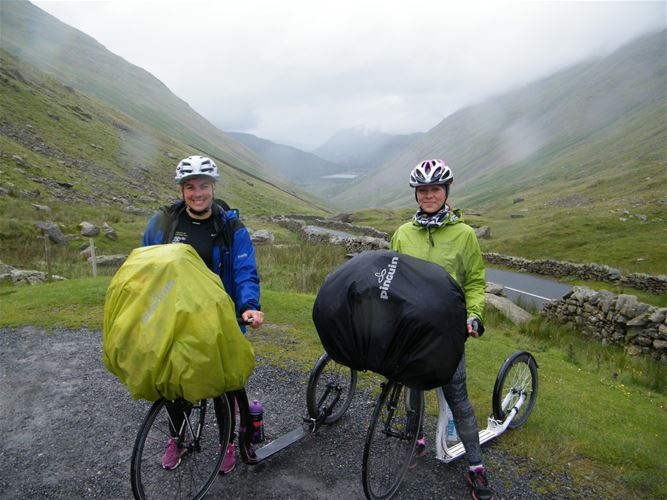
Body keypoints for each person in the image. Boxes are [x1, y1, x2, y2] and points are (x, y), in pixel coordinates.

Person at [142, 154, 264, 474]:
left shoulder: (229, 227)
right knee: (174, 384)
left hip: (218, 318)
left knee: (226, 384)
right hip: (176, 317)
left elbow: (244, 271)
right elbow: (144, 266)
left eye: (204, 186)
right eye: (190, 186)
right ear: (182, 190)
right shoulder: (164, 223)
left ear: (213, 188)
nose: (198, 193)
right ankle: (177, 438)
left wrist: (249, 305)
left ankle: (228, 444)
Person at [390, 159, 493, 500]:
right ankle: (415, 438)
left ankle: (476, 467)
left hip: (448, 331)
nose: (429, 195)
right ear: (416, 194)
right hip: (410, 328)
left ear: (446, 191)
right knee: (411, 384)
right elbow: (392, 277)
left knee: (457, 397)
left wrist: (474, 315)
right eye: (423, 190)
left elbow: (476, 282)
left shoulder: (463, 235)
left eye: (435, 189)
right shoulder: (403, 234)